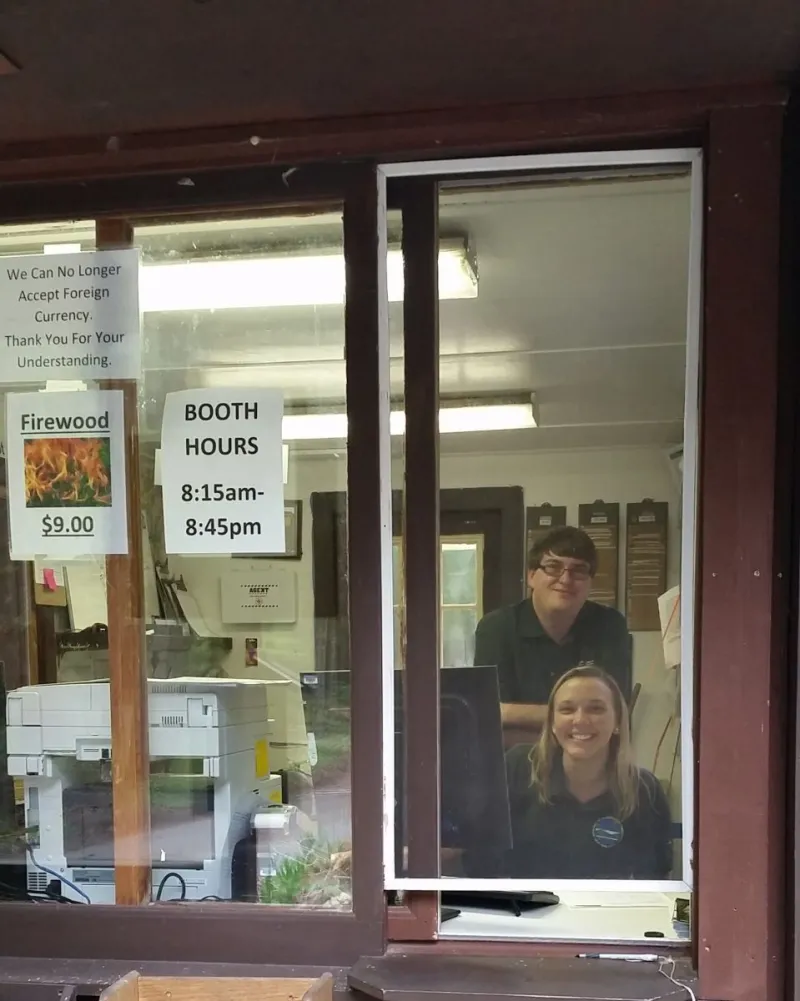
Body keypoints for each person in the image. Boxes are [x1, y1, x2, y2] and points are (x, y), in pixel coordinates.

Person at [478, 665, 672, 879]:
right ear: (552, 722)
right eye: (567, 709)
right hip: (523, 910)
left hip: (608, 911)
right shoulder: (517, 767)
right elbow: (482, 858)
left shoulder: (645, 789)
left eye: (596, 709)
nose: (580, 720)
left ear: (617, 722)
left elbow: (657, 880)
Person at [474, 526, 631, 740]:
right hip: (515, 763)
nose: (566, 579)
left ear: (590, 582)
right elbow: (490, 714)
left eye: (578, 570)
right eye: (553, 567)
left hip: (590, 764)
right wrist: (579, 719)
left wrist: (518, 714)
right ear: (531, 576)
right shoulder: (495, 628)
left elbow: (615, 712)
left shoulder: (611, 626)